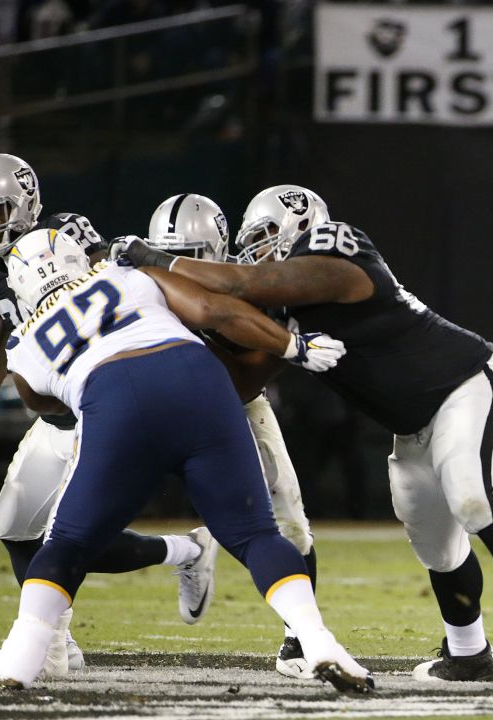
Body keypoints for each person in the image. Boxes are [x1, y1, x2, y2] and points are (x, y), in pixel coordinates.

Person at [114, 185, 493, 685]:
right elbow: (243, 381)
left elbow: (241, 283)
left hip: (469, 383)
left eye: (269, 234)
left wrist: (154, 260)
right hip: (414, 426)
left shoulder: (337, 249)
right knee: (436, 544)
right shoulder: (279, 302)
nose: (259, 249)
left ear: (302, 224)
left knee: (473, 498)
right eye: (254, 240)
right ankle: (469, 653)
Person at [0, 227, 371, 693]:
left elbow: (49, 407)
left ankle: (17, 663)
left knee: (65, 544)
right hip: (199, 379)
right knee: (255, 535)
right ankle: (320, 642)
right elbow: (214, 310)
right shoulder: (127, 273)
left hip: (115, 401)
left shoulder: (23, 344)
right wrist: (294, 347)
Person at [0, 153, 216, 678]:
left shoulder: (68, 239)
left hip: (106, 404)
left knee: (68, 536)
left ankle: (47, 644)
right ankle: (186, 551)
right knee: (14, 525)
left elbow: (138, 284)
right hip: (56, 414)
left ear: (24, 206)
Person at [143, 192, 321, 679]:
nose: (178, 267)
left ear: (218, 254)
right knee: (76, 516)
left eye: (193, 258)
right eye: (163, 253)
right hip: (154, 405)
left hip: (235, 404)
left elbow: (248, 379)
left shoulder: (249, 290)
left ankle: (298, 639)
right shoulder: (136, 282)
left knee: (289, 518)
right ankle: (54, 633)